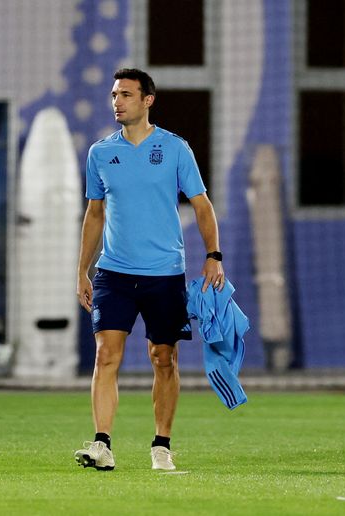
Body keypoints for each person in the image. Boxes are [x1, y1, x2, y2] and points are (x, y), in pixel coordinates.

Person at [74, 69, 224, 471]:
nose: (116, 102)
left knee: (163, 358)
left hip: (164, 274)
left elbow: (202, 204)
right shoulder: (100, 152)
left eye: (125, 94)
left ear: (147, 100)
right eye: (113, 95)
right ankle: (102, 443)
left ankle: (161, 446)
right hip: (114, 273)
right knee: (106, 354)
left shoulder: (175, 148)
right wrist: (81, 271)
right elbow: (94, 213)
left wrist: (214, 255)